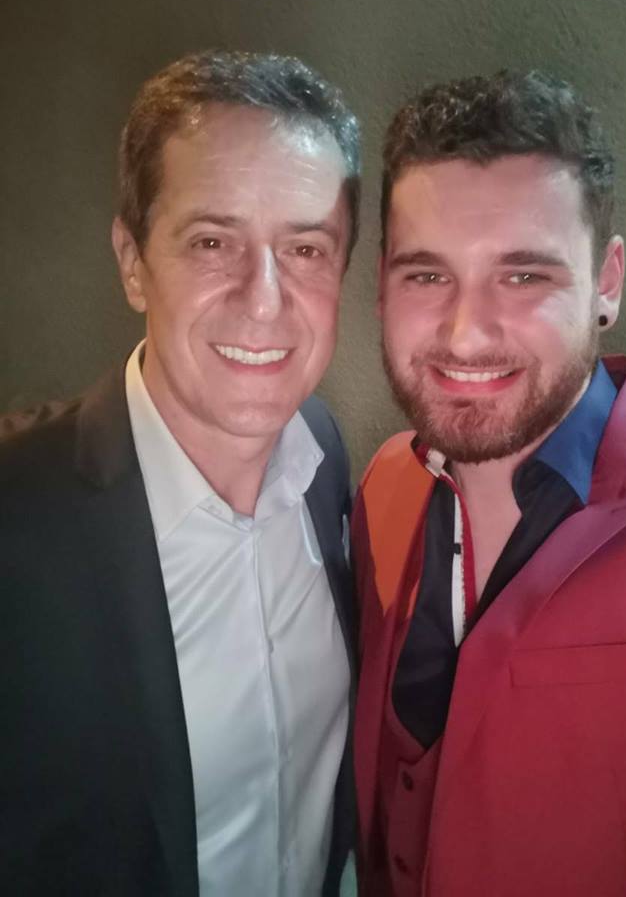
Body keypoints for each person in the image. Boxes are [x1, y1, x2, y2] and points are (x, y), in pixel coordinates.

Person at [0, 50, 360, 897]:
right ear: (133, 262)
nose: (264, 298)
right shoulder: (16, 518)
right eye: (211, 242)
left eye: (305, 248)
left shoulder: (323, 454)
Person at [352, 70, 626, 896]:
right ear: (381, 284)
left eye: (523, 276)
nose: (464, 333)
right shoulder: (380, 488)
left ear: (607, 282)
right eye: (426, 275)